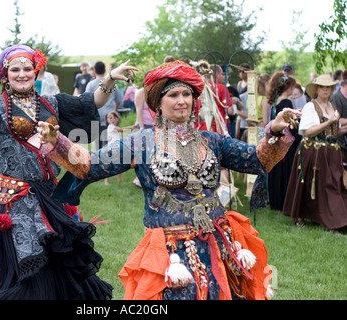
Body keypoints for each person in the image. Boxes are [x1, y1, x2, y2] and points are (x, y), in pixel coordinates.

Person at [38, 60, 300, 300]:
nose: (182, 100)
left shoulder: (212, 140)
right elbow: (90, 166)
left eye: (187, 94)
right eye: (173, 95)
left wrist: (274, 130)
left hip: (219, 244)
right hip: (172, 252)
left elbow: (256, 160)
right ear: (157, 103)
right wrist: (57, 141)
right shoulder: (141, 142)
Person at [0, 43, 138, 300]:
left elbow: (91, 102)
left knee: (58, 257)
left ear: (36, 71)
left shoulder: (54, 102)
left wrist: (110, 78)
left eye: (27, 69)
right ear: (5, 74)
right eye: (15, 70)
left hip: (49, 193)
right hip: (15, 196)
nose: (22, 74)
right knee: (30, 262)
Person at [283, 75, 347, 232]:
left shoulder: (332, 107)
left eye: (328, 87)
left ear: (332, 90)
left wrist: (342, 127)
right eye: (322, 87)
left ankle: (333, 219)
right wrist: (329, 122)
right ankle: (306, 217)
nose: (325, 90)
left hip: (332, 152)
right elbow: (307, 131)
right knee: (311, 185)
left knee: (332, 185)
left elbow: (335, 131)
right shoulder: (310, 107)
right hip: (313, 151)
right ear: (317, 89)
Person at [265, 71, 300, 211]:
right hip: (287, 141)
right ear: (288, 87)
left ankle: (276, 201)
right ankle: (285, 201)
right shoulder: (286, 102)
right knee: (286, 171)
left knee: (277, 169)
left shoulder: (275, 102)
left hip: (277, 139)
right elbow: (291, 126)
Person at [86, 61, 123, 150]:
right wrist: (115, 111)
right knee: (110, 143)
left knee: (98, 145)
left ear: (94, 71)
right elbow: (119, 100)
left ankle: (100, 162)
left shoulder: (90, 84)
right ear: (105, 70)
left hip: (96, 117)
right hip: (110, 117)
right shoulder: (112, 83)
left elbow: (86, 102)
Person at [104, 111, 137, 185]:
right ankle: (106, 181)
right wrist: (131, 127)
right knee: (110, 165)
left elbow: (119, 135)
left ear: (118, 119)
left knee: (118, 164)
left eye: (115, 118)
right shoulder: (110, 127)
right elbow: (120, 130)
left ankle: (119, 180)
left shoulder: (117, 127)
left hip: (117, 149)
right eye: (110, 118)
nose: (113, 120)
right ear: (107, 120)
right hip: (112, 149)